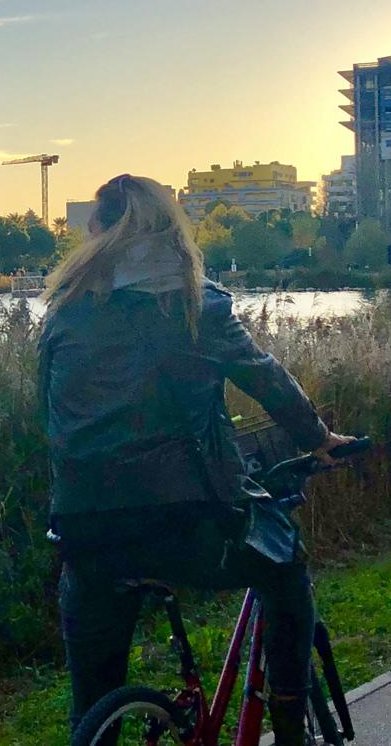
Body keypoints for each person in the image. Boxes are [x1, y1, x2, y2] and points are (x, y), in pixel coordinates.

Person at [38, 174, 354, 746]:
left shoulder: (65, 311)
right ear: (170, 229)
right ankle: (289, 732)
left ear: (97, 231)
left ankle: (96, 727)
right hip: (183, 520)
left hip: (84, 524)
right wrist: (316, 437)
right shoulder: (192, 303)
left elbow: (51, 418)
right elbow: (266, 379)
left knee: (92, 698)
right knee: (285, 570)